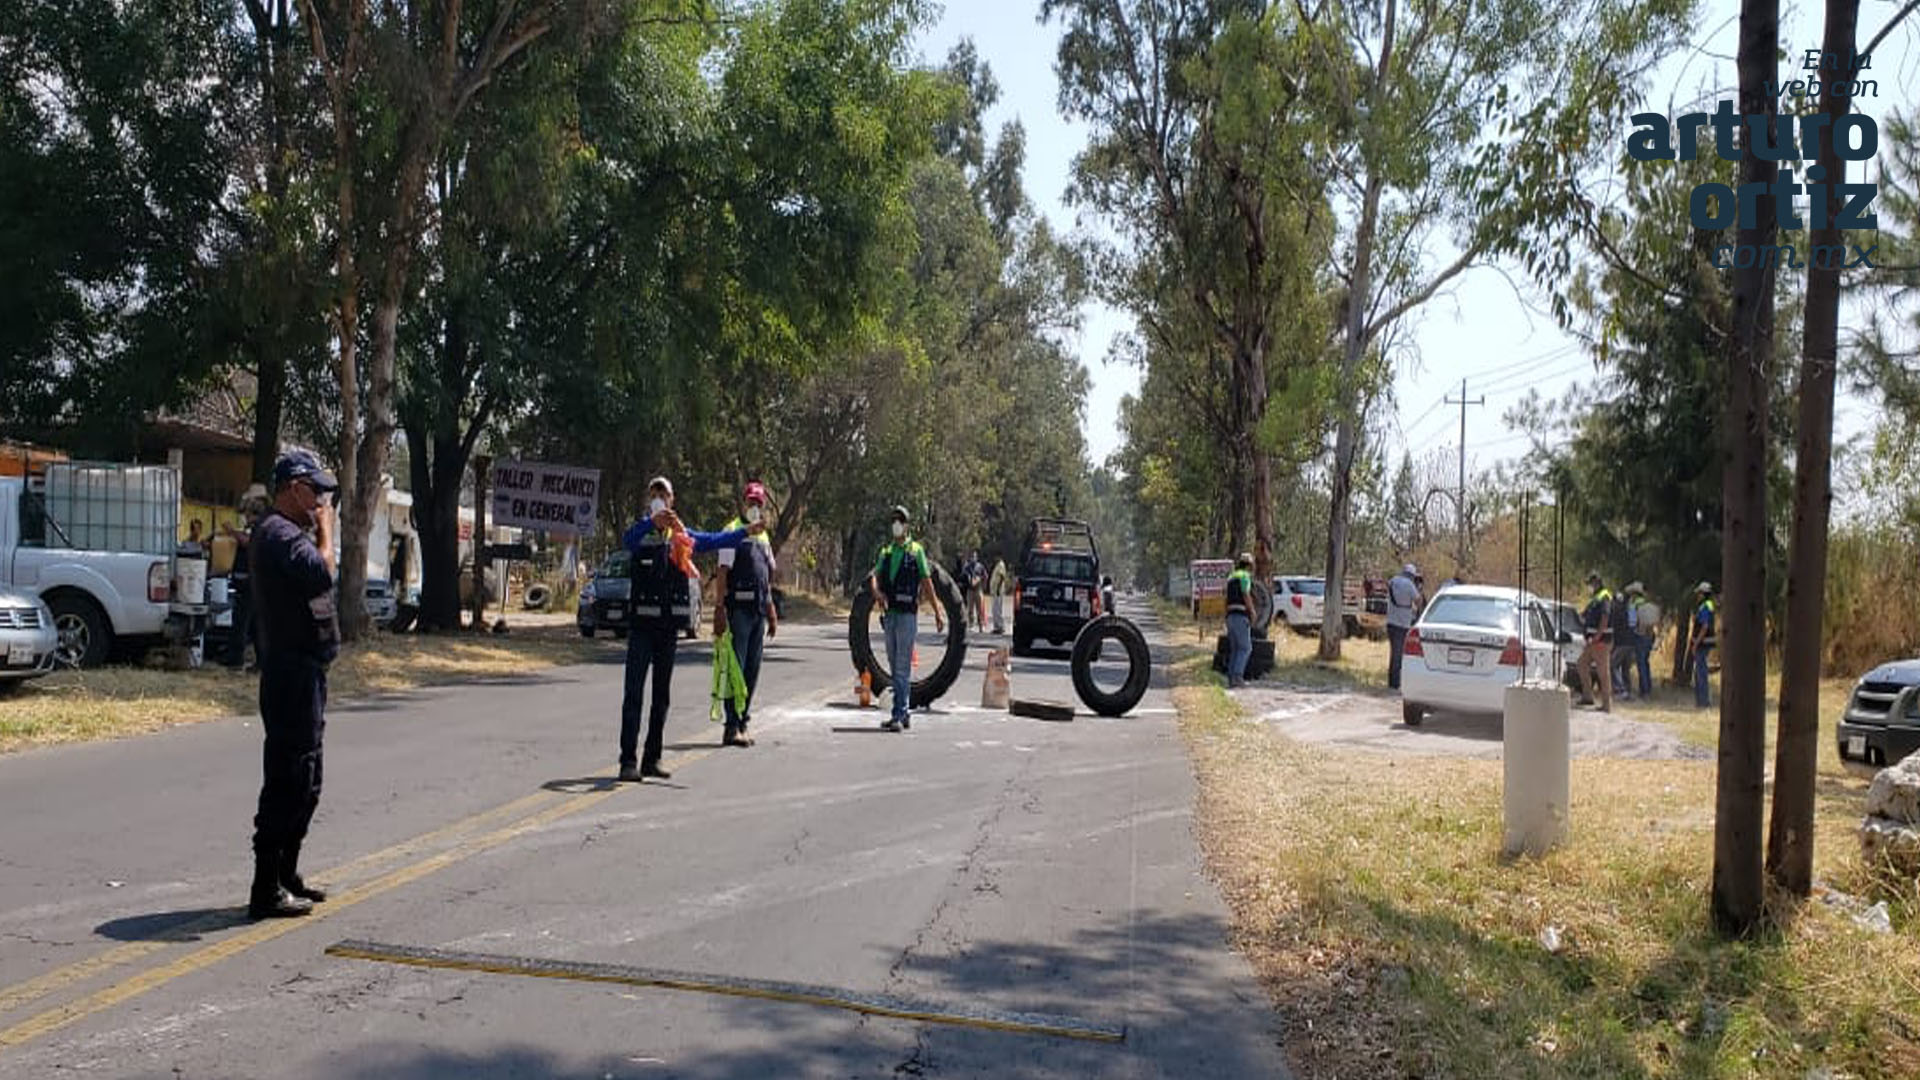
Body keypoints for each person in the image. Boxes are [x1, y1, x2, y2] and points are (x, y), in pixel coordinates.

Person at [245, 450, 340, 919]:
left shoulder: (287, 534)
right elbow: (323, 571)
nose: (321, 499)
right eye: (314, 490)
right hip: (290, 674)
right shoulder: (280, 535)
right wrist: (328, 532)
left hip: (307, 672)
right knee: (287, 779)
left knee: (308, 780)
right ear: (293, 488)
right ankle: (265, 887)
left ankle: (286, 873)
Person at [618, 477, 757, 781]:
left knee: (661, 697)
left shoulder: (679, 535)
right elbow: (627, 541)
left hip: (667, 628)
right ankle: (628, 761)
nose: (658, 499)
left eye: (663, 494)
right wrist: (649, 522)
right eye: (653, 494)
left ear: (672, 499)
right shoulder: (640, 532)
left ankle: (651, 759)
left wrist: (744, 531)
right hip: (641, 626)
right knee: (633, 695)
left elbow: (712, 541)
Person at [713, 481, 778, 748]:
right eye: (750, 502)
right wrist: (719, 609)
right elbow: (722, 573)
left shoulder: (763, 537)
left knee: (752, 670)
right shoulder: (732, 532)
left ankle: (742, 722)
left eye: (758, 503)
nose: (754, 507)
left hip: (758, 612)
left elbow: (767, 577)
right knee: (736, 670)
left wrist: (771, 609)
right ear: (743, 503)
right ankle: (731, 726)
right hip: (737, 610)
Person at [869, 506, 944, 732]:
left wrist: (937, 611)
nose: (896, 525)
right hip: (890, 616)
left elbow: (926, 582)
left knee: (902, 668)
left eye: (900, 521)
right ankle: (901, 713)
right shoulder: (887, 552)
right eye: (894, 521)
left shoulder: (916, 551)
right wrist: (877, 593)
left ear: (907, 525)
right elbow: (874, 576)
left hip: (907, 617)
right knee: (894, 666)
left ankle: (900, 714)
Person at [222, 486, 269, 671]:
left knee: (242, 621)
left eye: (247, 513)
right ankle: (260, 660)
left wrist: (231, 531)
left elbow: (246, 542)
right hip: (251, 581)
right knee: (255, 623)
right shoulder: (259, 527)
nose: (245, 518)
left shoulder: (259, 528)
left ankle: (236, 658)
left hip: (251, 581)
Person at [1577, 572, 1615, 713]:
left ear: (1597, 583)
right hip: (1593, 642)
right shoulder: (1595, 599)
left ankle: (1606, 705)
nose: (1589, 587)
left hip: (1600, 641)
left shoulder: (1604, 597)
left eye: (1590, 584)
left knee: (1602, 673)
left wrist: (1597, 636)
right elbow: (1585, 615)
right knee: (1581, 665)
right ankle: (1588, 696)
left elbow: (1605, 618)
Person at [1386, 563, 1422, 691]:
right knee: (1399, 654)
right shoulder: (1409, 585)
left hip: (1391, 622)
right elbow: (1418, 600)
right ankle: (1395, 683)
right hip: (1403, 623)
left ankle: (1392, 680)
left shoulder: (1393, 581)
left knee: (1393, 652)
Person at [1224, 553, 1255, 688]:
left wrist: (1225, 615)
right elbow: (1245, 594)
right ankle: (1237, 676)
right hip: (1240, 615)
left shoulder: (1231, 577)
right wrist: (1252, 611)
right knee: (1245, 648)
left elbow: (1225, 598)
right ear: (1249, 565)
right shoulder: (1244, 576)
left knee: (1235, 648)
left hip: (1230, 615)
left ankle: (1231, 677)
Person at [1687, 582, 1716, 708]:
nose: (1697, 595)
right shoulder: (1708, 606)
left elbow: (1704, 627)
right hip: (1705, 643)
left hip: (1702, 644)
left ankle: (1703, 702)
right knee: (1700, 671)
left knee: (1701, 673)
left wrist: (1695, 643)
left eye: (1699, 593)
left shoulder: (1705, 607)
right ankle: (1701, 701)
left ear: (1703, 594)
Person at [988, 555, 1010, 634]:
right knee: (994, 610)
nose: (995, 558)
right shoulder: (997, 565)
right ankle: (996, 627)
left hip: (998, 591)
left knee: (997, 610)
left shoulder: (1001, 564)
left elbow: (1002, 577)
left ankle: (1000, 627)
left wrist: (998, 588)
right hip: (994, 591)